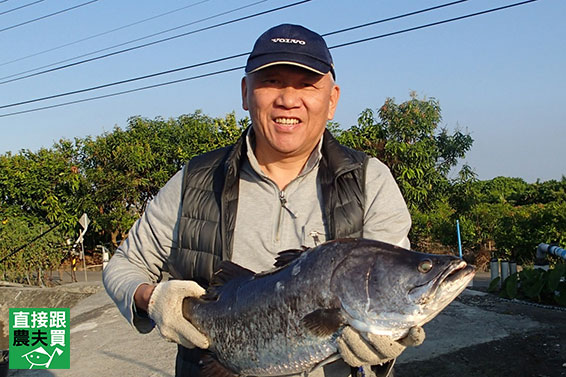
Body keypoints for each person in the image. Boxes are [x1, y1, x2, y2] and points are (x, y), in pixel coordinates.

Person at [103, 23, 424, 377]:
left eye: (306, 85)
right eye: (271, 81)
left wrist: (387, 343)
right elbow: (123, 266)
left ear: (331, 99)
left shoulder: (368, 180)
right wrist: (153, 299)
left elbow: (391, 290)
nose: (288, 99)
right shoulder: (194, 180)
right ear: (245, 93)